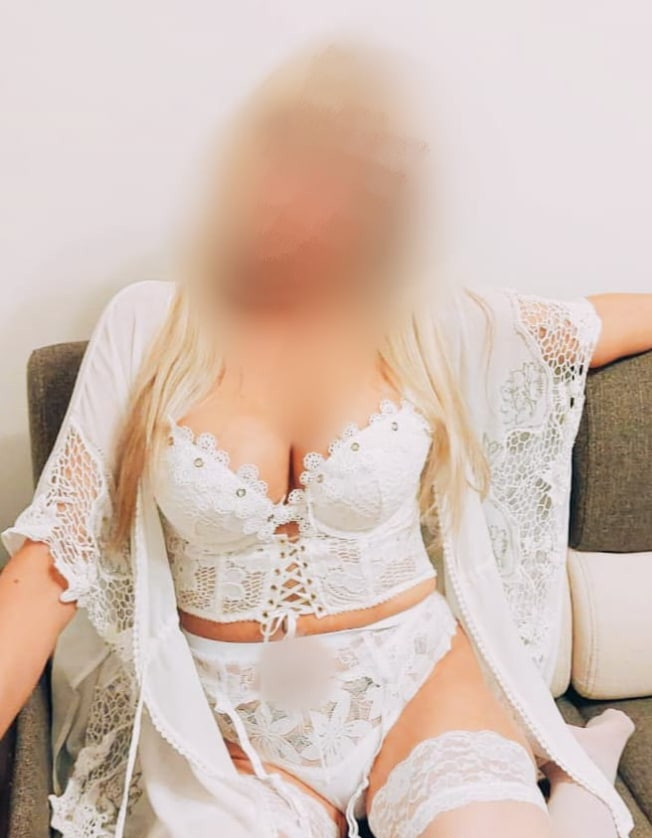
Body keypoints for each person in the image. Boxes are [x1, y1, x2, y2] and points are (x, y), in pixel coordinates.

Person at [1, 43, 650, 838]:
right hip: (223, 723)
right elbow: (48, 567)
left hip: (415, 684)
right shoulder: (148, 326)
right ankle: (579, 769)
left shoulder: (426, 320)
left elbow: (586, 327)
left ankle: (570, 768)